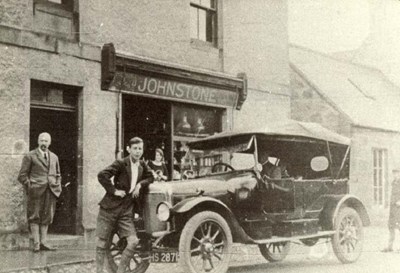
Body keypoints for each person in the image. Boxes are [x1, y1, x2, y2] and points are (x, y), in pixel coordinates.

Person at [95, 137, 154, 273]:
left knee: (133, 242)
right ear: (128, 149)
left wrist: (140, 185)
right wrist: (114, 191)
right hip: (109, 209)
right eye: (135, 148)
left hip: (126, 211)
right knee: (102, 243)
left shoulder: (142, 165)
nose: (138, 152)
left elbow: (151, 177)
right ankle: (98, 271)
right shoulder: (121, 163)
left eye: (140, 149)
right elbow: (102, 175)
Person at [17, 132, 61, 252]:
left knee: (47, 217)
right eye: (41, 140)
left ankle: (44, 243)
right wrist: (30, 185)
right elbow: (22, 176)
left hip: (51, 191)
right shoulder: (30, 156)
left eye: (46, 141)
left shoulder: (54, 157)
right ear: (38, 141)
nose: (43, 143)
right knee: (34, 216)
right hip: (36, 192)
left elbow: (58, 174)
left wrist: (58, 186)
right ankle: (36, 244)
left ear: (50, 143)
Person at [382, 168, 400, 252]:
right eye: (394, 173)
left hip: (398, 207)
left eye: (396, 173)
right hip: (393, 207)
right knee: (391, 226)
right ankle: (390, 246)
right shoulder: (393, 183)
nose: (395, 175)